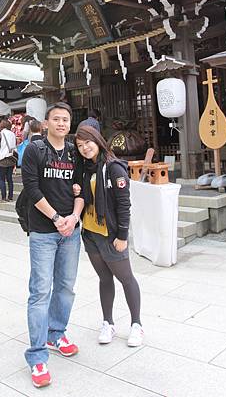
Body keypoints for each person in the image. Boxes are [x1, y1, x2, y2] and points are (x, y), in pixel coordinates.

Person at [21, 102, 84, 388]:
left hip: (71, 230)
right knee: (40, 291)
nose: (61, 123)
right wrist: (57, 218)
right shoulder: (35, 149)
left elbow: (82, 186)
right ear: (46, 123)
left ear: (70, 124)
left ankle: (56, 333)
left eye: (65, 120)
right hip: (44, 231)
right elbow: (31, 188)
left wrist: (73, 217)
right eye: (56, 119)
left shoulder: (74, 151)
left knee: (66, 286)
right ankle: (37, 356)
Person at [74, 125, 144, 348]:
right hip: (91, 234)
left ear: (97, 140)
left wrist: (122, 235)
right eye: (80, 145)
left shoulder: (113, 168)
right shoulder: (86, 169)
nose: (85, 148)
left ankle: (136, 324)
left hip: (111, 234)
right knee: (105, 279)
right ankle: (108, 322)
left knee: (126, 278)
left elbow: (124, 204)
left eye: (88, 143)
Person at [0, 119, 17, 202]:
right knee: (9, 178)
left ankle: (3, 197)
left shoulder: (1, 134)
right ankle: (10, 197)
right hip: (11, 158)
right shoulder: (12, 134)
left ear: (2, 126)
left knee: (2, 179)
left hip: (3, 157)